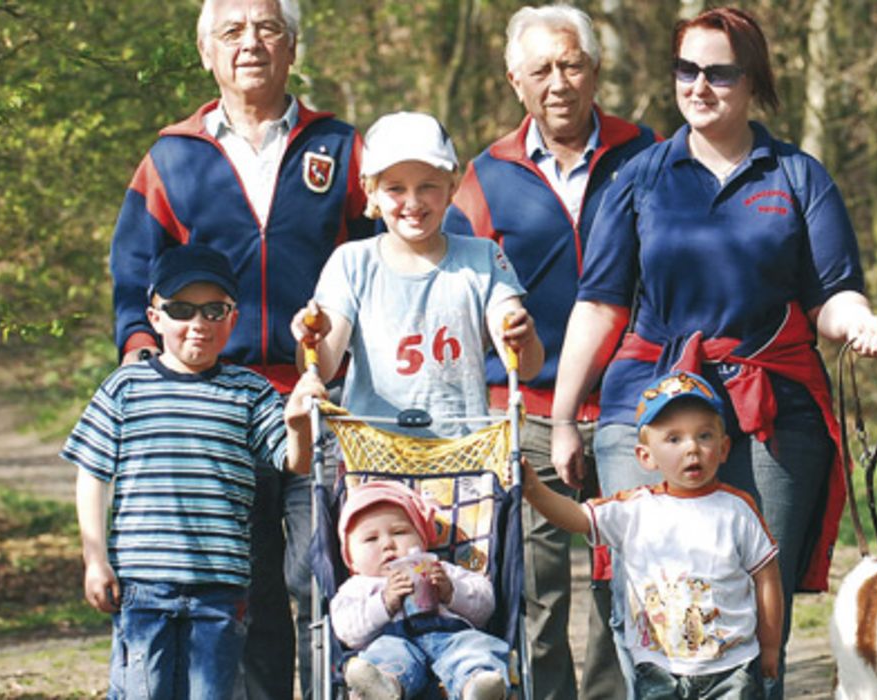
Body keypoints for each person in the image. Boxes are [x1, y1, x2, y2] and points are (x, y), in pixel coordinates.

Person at [548, 7, 877, 696]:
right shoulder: (639, 177)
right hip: (646, 398)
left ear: (752, 80)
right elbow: (601, 302)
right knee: (648, 601)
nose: (698, 86)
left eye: (719, 72)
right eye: (685, 70)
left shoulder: (796, 175)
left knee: (758, 605)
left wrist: (860, 321)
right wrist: (561, 418)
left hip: (771, 406)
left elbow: (831, 295)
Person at [106, 0, 373, 694]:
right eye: (232, 31)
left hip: (322, 402)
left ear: (291, 47)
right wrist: (141, 353)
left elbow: (383, 260)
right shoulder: (172, 154)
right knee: (243, 586)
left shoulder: (343, 147)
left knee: (322, 576)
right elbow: (136, 267)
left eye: (267, 29)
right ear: (207, 53)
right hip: (213, 404)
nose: (250, 43)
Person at [443, 5, 659, 698]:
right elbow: (453, 288)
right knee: (535, 593)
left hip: (630, 403)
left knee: (619, 582)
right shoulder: (483, 176)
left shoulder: (648, 153)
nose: (558, 82)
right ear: (515, 81)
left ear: (595, 69)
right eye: (541, 69)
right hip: (526, 412)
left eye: (571, 64)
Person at [65, 244, 322, 699]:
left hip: (220, 591)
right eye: (181, 310)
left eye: (212, 311)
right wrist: (94, 558)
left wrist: (297, 421)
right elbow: (92, 471)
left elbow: (294, 461)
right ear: (155, 316)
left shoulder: (250, 392)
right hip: (142, 586)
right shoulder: (126, 386)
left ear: (232, 317)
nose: (198, 325)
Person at [524, 371, 782, 699]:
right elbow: (576, 517)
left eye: (704, 436)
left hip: (732, 666)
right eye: (674, 439)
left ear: (724, 447)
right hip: (658, 667)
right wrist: (533, 489)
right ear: (646, 456)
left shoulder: (737, 510)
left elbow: (767, 577)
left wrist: (770, 645)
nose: (692, 448)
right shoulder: (634, 509)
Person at [292, 111, 543, 434]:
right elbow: (320, 368)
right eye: (395, 188)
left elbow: (525, 366)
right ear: (371, 193)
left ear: (452, 187)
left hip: (464, 453)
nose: (412, 202)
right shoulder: (352, 263)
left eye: (427, 186)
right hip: (373, 455)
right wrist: (313, 337)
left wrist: (523, 335)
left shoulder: (483, 259)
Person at [332, 481, 510, 700]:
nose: (388, 544)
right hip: (394, 641)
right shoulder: (358, 586)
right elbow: (347, 631)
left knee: (473, 648)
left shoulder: (440, 570)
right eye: (371, 539)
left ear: (422, 541)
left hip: (451, 637)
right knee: (385, 655)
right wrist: (384, 603)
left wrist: (452, 592)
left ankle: (476, 686)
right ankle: (384, 686)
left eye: (399, 532)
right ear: (352, 561)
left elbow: (486, 604)